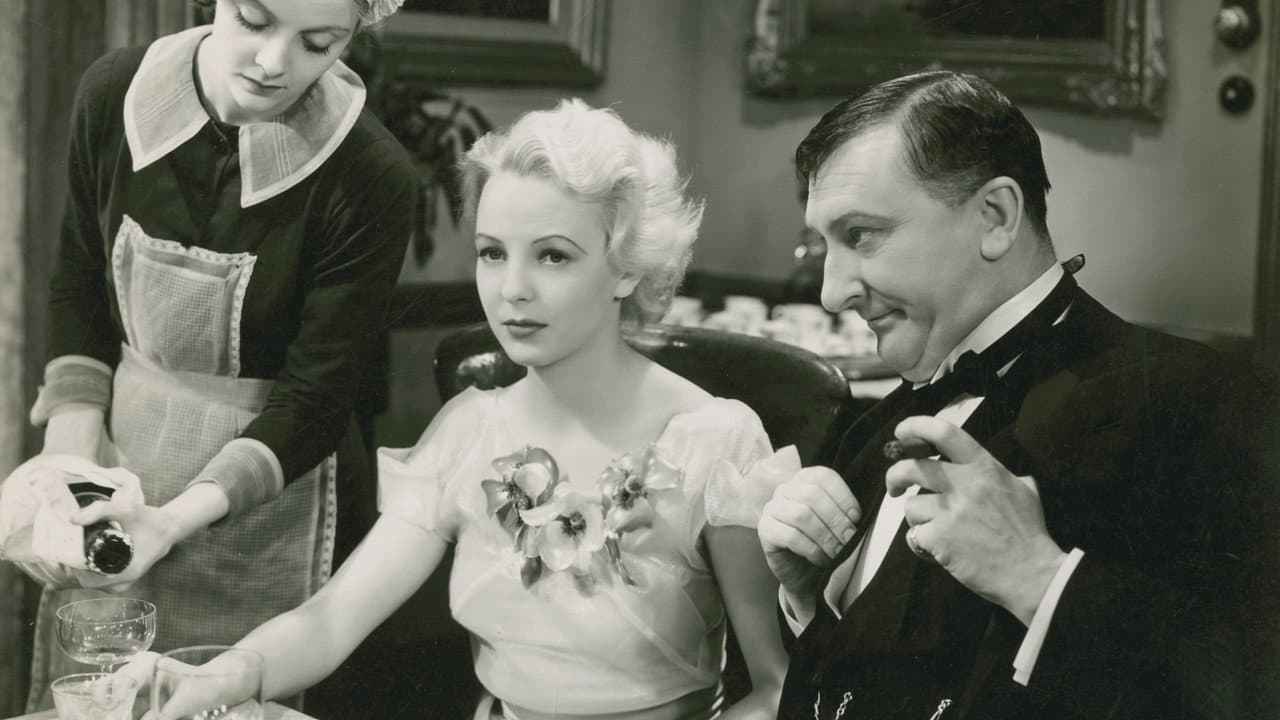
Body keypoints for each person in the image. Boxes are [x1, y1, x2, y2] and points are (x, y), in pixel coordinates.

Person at [126, 98, 792, 720]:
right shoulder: (470, 432)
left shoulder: (715, 440)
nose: (512, 289)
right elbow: (333, 619)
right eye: (492, 253)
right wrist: (226, 675)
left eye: (553, 256)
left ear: (627, 268)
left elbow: (776, 689)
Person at [757, 70, 1280, 719]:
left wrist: (1039, 579)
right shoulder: (874, 427)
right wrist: (811, 598)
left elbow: (1247, 689)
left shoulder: (1200, 406)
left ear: (996, 217)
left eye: (861, 235)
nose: (832, 292)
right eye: (823, 243)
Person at [11, 0, 415, 710]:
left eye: (318, 43)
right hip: (125, 457)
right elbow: (78, 284)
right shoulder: (113, 94)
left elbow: (315, 400)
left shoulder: (370, 174)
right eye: (254, 20)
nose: (273, 63)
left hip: (278, 499)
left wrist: (171, 521)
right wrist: (70, 471)